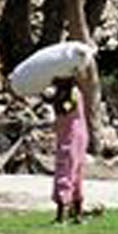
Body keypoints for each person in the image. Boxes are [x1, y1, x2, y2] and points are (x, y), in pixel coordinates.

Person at [49, 80, 88, 224]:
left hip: (69, 139)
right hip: (79, 137)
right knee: (77, 174)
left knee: (64, 172)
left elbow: (65, 108)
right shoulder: (76, 91)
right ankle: (78, 214)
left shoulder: (70, 94)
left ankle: (62, 215)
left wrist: (53, 100)